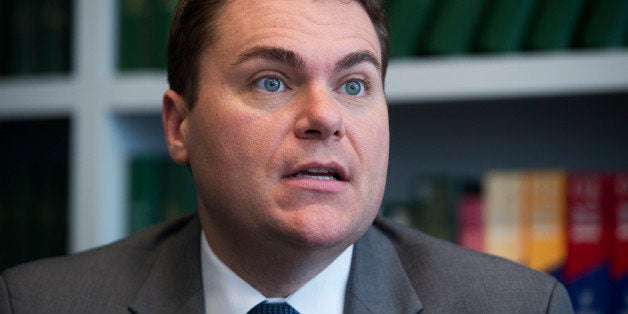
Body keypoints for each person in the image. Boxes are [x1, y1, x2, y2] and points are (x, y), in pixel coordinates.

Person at [0, 0, 574, 313]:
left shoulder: (519, 307)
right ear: (180, 127)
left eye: (354, 85)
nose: (325, 117)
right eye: (271, 81)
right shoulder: (36, 304)